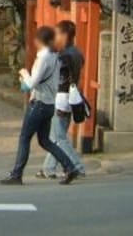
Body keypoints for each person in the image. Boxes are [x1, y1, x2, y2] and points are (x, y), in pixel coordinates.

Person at [0, 26, 81, 186]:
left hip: (39, 104)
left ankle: (17, 174)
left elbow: (32, 83)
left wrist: (24, 73)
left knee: (25, 138)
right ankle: (70, 167)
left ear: (39, 41)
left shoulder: (43, 58)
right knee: (45, 141)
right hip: (50, 103)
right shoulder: (55, 57)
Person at [37, 20, 86, 179]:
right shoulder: (77, 53)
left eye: (57, 34)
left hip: (60, 97)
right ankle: (48, 168)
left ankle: (77, 166)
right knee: (56, 136)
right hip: (71, 97)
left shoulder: (63, 55)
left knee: (59, 137)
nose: (55, 37)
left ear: (64, 34)